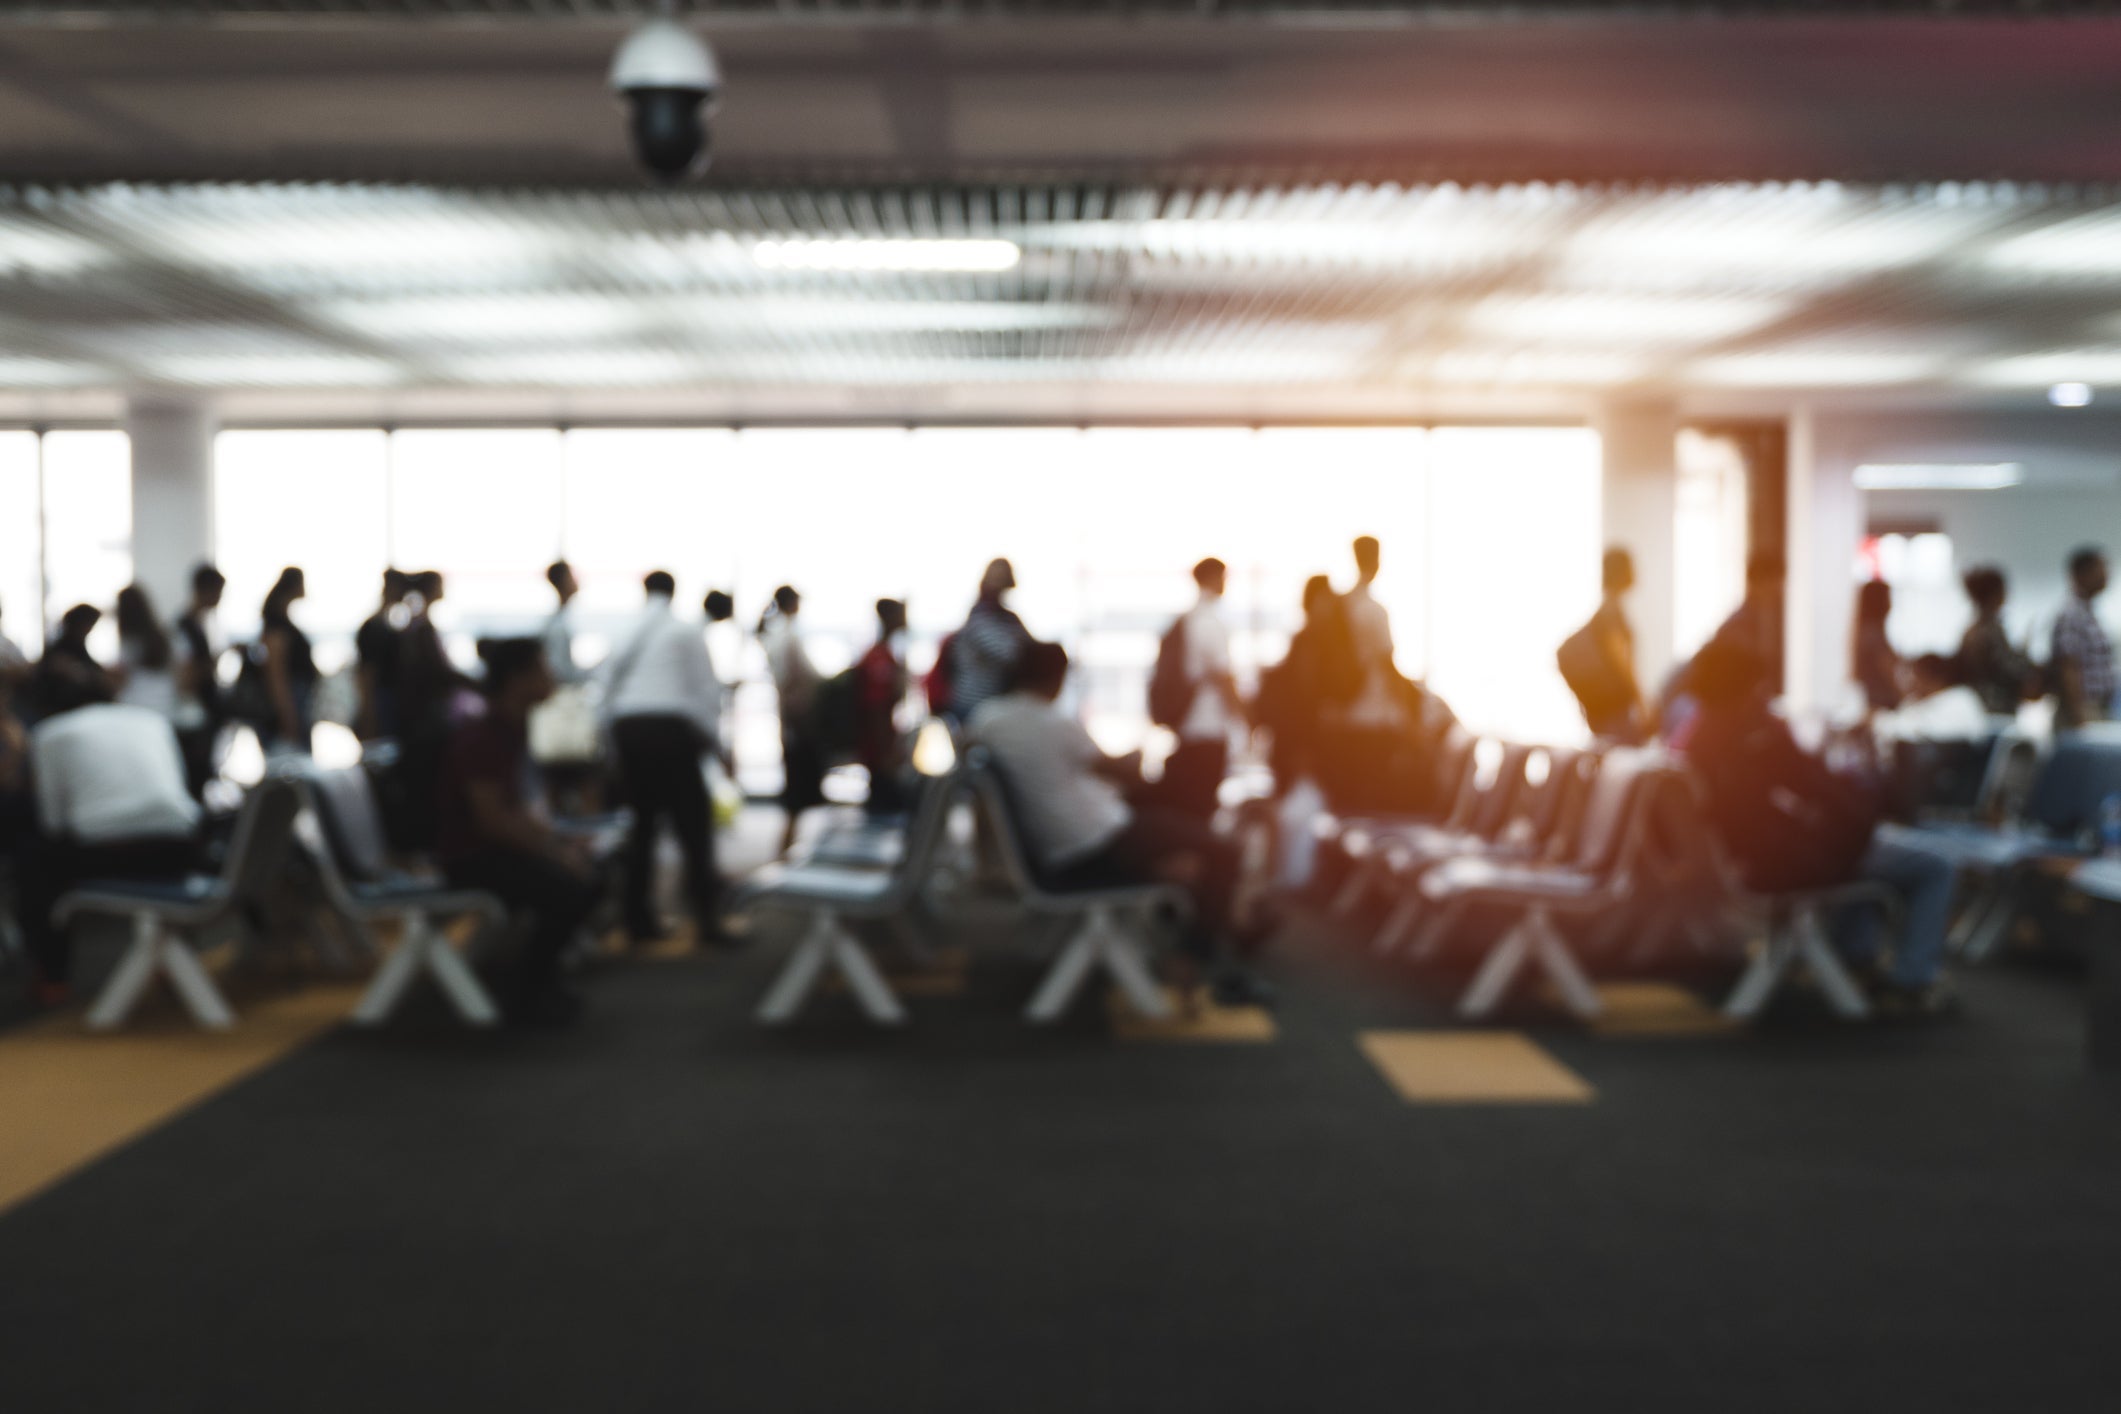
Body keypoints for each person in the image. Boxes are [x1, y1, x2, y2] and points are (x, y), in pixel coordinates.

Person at [970, 642, 1269, 1008]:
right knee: (1223, 851)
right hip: (1097, 840)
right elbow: (1120, 772)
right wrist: (1136, 757)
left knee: (1185, 845)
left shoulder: (987, 718)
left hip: (1067, 840)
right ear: (1056, 677)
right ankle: (1193, 956)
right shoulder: (1054, 723)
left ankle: (1205, 913)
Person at [1683, 636, 1958, 1016]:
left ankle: (1856, 956)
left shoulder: (1695, 739)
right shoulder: (1756, 735)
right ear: (1745, 688)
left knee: (1859, 846)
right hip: (1781, 868)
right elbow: (1816, 785)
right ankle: (1912, 981)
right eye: (1759, 686)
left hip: (1740, 866)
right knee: (1933, 866)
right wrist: (1866, 809)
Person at [433, 638, 599, 1027]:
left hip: (487, 851)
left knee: (580, 882)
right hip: (470, 859)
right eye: (543, 669)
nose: (552, 678)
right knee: (570, 891)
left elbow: (513, 812)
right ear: (516, 679)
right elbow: (493, 821)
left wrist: (558, 845)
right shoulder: (484, 737)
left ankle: (536, 983)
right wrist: (555, 852)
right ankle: (527, 992)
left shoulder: (507, 731)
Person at [17, 698, 204, 1006]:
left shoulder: (49, 732)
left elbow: (52, 821)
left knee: (34, 862)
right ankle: (173, 955)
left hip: (106, 848)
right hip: (178, 845)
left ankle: (53, 976)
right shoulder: (151, 719)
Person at [601, 571, 727, 946]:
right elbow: (706, 692)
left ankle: (637, 920)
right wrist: (717, 747)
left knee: (642, 828)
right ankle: (707, 920)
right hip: (671, 731)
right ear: (674, 592)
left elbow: (606, 687)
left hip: (628, 730)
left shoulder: (625, 630)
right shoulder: (684, 631)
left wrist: (609, 747)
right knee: (694, 828)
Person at [1157, 558, 1244, 823]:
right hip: (1209, 725)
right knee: (1204, 805)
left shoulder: (1186, 621)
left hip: (1187, 724)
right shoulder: (1211, 622)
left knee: (1190, 804)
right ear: (1214, 578)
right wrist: (1244, 718)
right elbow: (1223, 676)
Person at [759, 586, 825, 853]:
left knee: (796, 792)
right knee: (797, 792)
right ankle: (784, 847)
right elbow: (791, 683)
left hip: (791, 721)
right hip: (797, 722)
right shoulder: (787, 636)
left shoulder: (777, 634)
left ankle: (786, 845)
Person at [1562, 547, 1648, 743]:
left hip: (1603, 711)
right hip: (1616, 711)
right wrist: (1642, 704)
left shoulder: (1606, 611)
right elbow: (1622, 663)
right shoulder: (1613, 613)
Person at [944, 557, 1033, 725]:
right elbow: (1010, 653)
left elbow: (1030, 648)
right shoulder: (980, 618)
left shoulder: (1008, 619)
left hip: (997, 704)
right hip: (973, 705)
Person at [173, 564, 228, 799]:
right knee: (195, 776)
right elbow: (185, 677)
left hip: (201, 711)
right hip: (192, 714)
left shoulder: (199, 624)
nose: (219, 599)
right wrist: (212, 663)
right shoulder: (184, 627)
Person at [854, 598, 912, 816]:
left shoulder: (886, 654)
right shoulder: (879, 658)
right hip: (878, 747)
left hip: (880, 744)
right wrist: (886, 751)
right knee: (883, 808)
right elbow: (875, 708)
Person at [1954, 565, 2035, 717]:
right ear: (1994, 594)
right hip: (1995, 708)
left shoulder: (1971, 630)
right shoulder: (1990, 631)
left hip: (1978, 707)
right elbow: (2008, 669)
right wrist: (2024, 655)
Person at [255, 567, 317, 758]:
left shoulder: (279, 620)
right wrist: (288, 718)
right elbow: (276, 676)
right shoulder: (277, 624)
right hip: (291, 702)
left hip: (297, 699)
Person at [2050, 545, 2114, 729]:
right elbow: (2068, 666)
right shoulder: (2072, 615)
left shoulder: (2087, 614)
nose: (2105, 576)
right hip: (2083, 710)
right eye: (2100, 569)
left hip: (2097, 707)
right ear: (2081, 574)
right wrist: (2080, 718)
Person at [354, 569, 411, 742]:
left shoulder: (386, 625)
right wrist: (369, 713)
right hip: (382, 700)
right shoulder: (375, 627)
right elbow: (367, 673)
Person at [32, 604, 115, 720]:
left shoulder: (79, 648)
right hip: (63, 712)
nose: (90, 629)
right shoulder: (59, 653)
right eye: (89, 624)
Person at [113, 584, 179, 721]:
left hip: (135, 706)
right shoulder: (162, 635)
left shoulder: (129, 640)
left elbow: (121, 677)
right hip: (165, 704)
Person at [1851, 579, 1905, 714]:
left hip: (1874, 702)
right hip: (1884, 703)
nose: (1891, 604)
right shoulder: (1874, 635)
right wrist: (1904, 697)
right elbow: (1887, 670)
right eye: (1888, 598)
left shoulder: (1864, 632)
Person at [541, 560, 585, 685]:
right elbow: (558, 667)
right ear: (564, 581)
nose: (576, 580)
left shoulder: (562, 618)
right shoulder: (557, 625)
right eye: (572, 576)